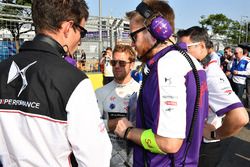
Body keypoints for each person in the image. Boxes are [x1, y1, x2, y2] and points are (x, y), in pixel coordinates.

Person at [0, 0, 112, 166]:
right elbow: (95, 159)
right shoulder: (74, 81)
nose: (80, 41)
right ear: (68, 27)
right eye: (82, 32)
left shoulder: (2, 69)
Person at [114, 1, 209, 166]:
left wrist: (127, 131)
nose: (132, 43)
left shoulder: (167, 65)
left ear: (156, 31)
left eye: (134, 36)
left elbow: (169, 143)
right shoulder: (190, 61)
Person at [177, 26, 249, 167]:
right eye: (178, 49)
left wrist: (215, 134)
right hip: (192, 141)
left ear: (202, 46)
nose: (180, 54)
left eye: (185, 49)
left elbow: (240, 117)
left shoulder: (211, 74)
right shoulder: (198, 69)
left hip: (204, 146)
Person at [96, 44, 140, 167]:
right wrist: (113, 123)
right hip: (108, 160)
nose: (116, 66)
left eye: (121, 63)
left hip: (135, 158)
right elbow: (92, 127)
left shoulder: (141, 91)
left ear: (131, 64)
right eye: (113, 62)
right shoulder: (100, 92)